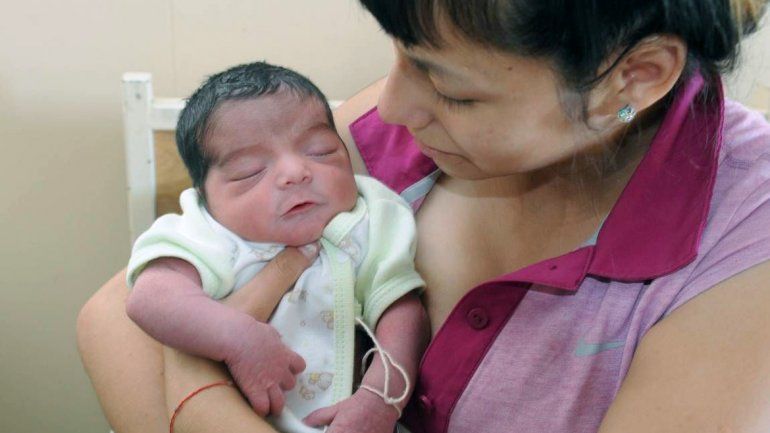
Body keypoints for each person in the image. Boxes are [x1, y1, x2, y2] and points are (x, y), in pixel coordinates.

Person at [77, 1, 770, 432]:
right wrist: (213, 338)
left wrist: (194, 386)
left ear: (637, 76)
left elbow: (162, 339)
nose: (395, 105)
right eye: (401, 52)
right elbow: (113, 317)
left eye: (448, 86)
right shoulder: (396, 135)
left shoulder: (742, 236)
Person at [123, 62, 428, 433]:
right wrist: (238, 339)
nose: (295, 173)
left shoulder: (367, 218)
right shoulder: (207, 232)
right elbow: (150, 299)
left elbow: (402, 311)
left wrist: (381, 398)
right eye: (250, 171)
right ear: (205, 196)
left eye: (321, 151)